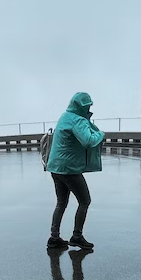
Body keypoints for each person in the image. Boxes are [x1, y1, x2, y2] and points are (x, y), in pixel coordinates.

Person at [46, 92, 104, 251]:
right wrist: (100, 134)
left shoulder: (65, 116)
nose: (90, 108)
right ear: (83, 106)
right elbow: (88, 140)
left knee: (61, 202)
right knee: (85, 201)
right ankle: (77, 236)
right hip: (69, 169)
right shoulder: (78, 121)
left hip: (55, 167)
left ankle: (54, 237)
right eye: (88, 106)